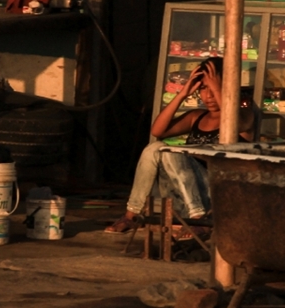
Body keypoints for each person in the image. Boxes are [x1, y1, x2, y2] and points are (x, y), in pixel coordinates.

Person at [105, 56, 255, 234]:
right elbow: (158, 130)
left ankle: (199, 219)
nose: (209, 95)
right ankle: (131, 215)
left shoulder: (245, 115)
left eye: (214, 88)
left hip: (216, 194)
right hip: (182, 194)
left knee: (171, 153)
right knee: (155, 148)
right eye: (203, 88)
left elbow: (236, 123)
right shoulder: (196, 116)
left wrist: (217, 87)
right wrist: (183, 93)